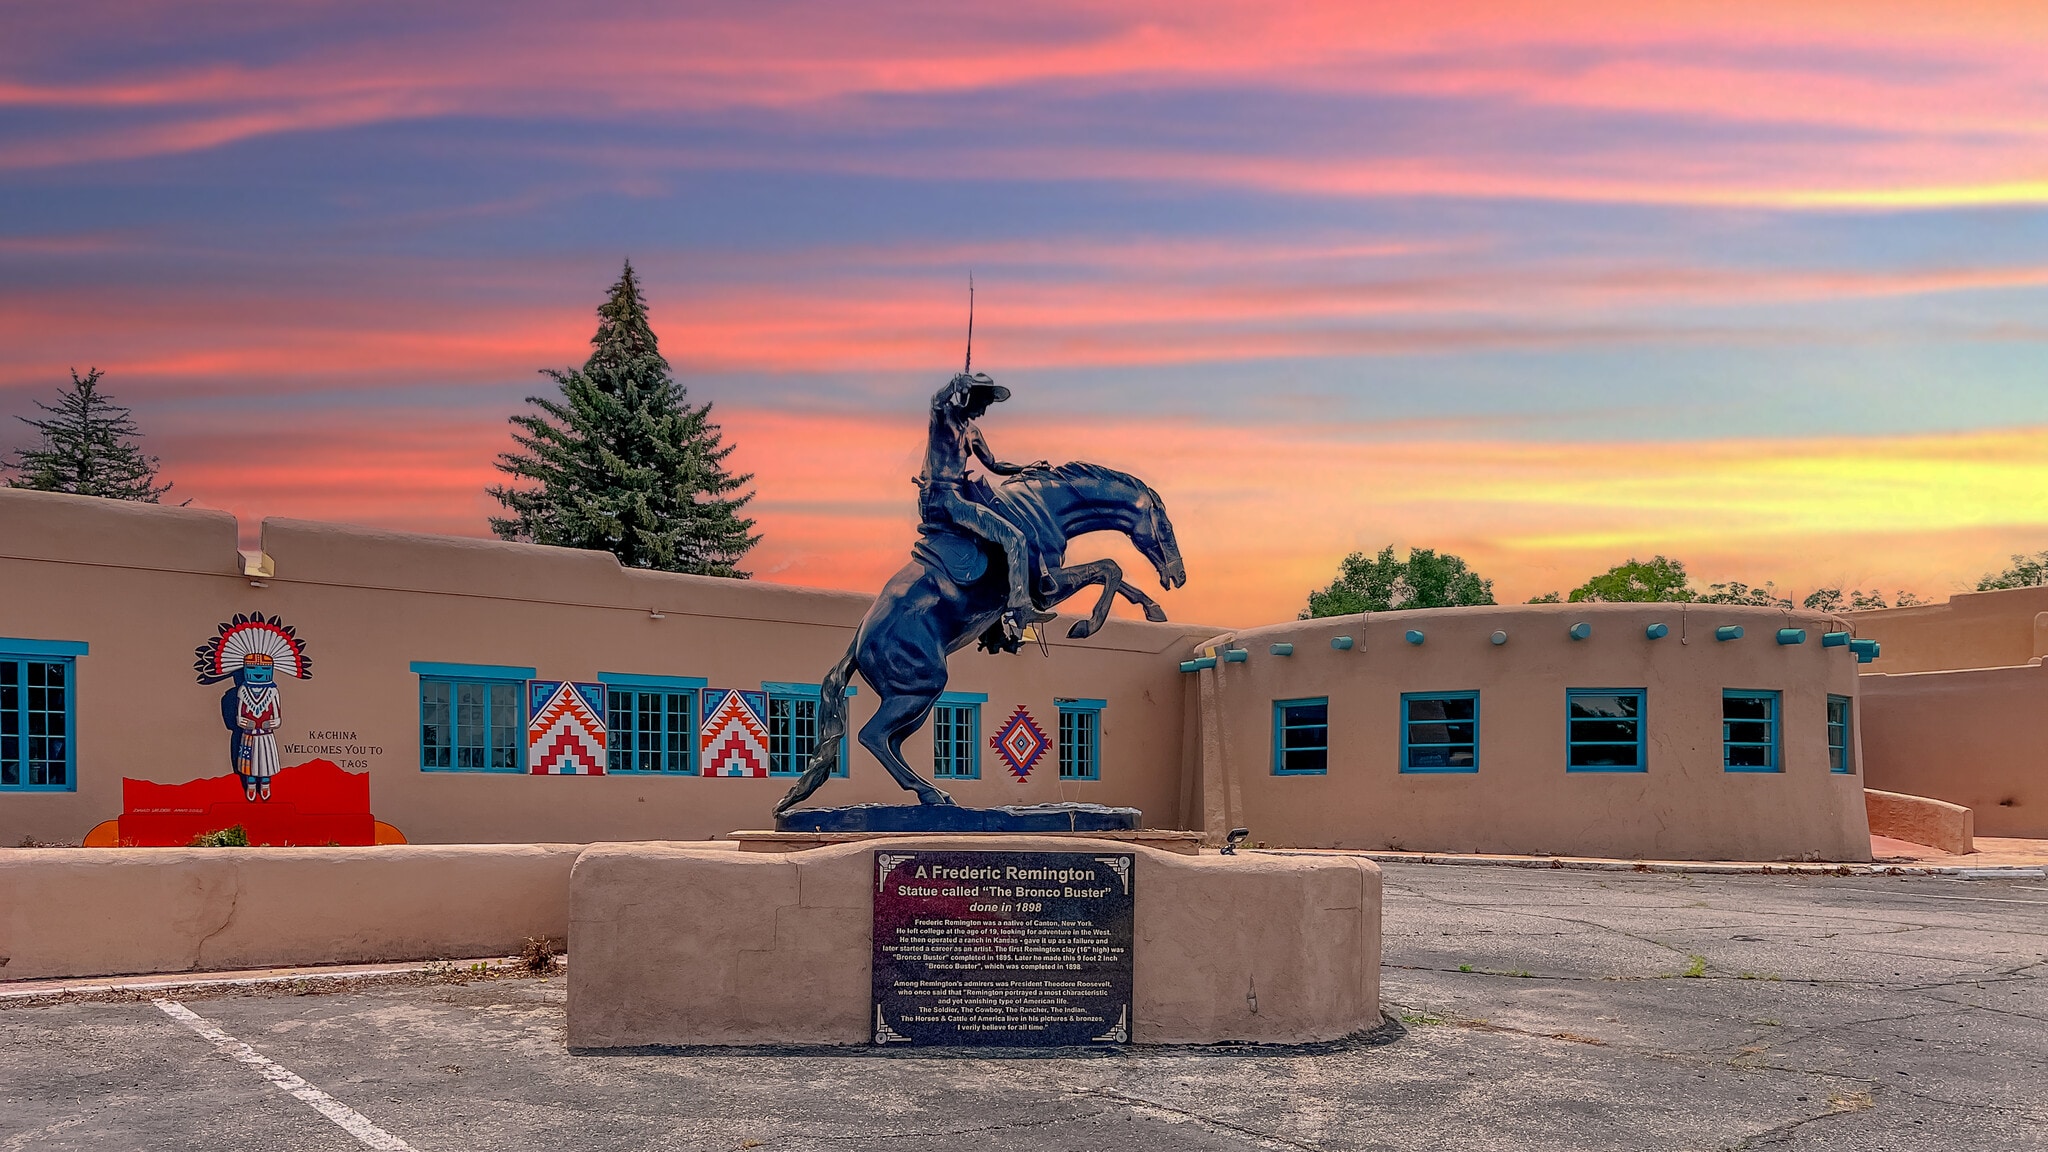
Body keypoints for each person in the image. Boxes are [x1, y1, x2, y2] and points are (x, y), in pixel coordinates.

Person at [918, 371, 1050, 640]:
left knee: (1002, 538)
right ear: (968, 397)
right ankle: (1018, 607)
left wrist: (1027, 467)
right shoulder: (944, 418)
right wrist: (953, 385)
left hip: (957, 498)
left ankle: (995, 618)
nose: (983, 411)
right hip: (943, 499)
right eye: (981, 404)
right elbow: (936, 400)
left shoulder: (973, 432)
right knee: (1014, 538)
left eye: (987, 406)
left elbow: (994, 464)